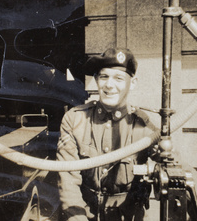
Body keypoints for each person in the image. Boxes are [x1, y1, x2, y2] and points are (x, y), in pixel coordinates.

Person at [56, 47, 160, 221]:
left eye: (119, 78)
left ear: (132, 83)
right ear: (96, 80)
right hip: (82, 213)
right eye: (104, 76)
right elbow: (68, 181)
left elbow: (176, 165)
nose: (109, 85)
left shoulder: (142, 126)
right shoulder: (75, 120)